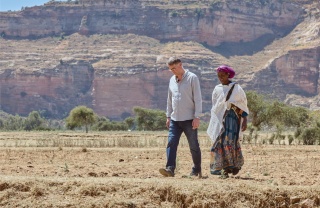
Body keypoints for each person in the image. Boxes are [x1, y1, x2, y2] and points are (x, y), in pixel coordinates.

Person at [159, 57, 202, 178]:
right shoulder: (172, 80)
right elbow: (169, 99)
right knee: (171, 143)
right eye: (170, 69)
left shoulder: (192, 78)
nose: (172, 71)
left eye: (174, 68)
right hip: (174, 119)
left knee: (193, 145)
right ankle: (170, 169)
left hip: (189, 119)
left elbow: (198, 98)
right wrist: (168, 115)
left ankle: (196, 169)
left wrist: (197, 116)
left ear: (180, 65)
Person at [207, 65, 249, 178]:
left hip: (232, 119)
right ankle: (219, 168)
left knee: (230, 142)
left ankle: (232, 166)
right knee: (218, 142)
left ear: (228, 75)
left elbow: (243, 104)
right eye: (218, 76)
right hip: (220, 120)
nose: (220, 78)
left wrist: (245, 120)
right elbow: (215, 105)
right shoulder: (217, 89)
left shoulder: (237, 88)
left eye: (222, 75)